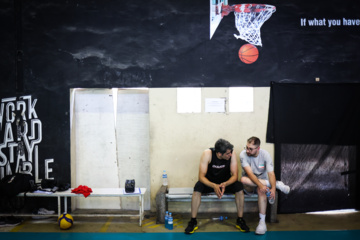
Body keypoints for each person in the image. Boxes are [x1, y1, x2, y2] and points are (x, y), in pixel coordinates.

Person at [185, 138, 249, 234]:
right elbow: (201, 177)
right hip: (210, 183)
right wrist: (214, 185)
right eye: (227, 154)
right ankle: (193, 221)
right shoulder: (207, 154)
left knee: (239, 187)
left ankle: (240, 219)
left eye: (230, 152)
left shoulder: (232, 154)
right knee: (197, 187)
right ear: (219, 154)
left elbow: (235, 176)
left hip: (226, 183)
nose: (230, 155)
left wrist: (225, 184)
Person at [240, 136, 290, 235]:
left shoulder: (265, 154)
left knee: (261, 190)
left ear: (258, 148)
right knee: (243, 180)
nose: (248, 150)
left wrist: (273, 188)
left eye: (251, 148)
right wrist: (267, 185)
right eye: (247, 147)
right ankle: (278, 184)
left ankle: (262, 223)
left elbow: (271, 173)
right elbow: (250, 174)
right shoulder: (243, 155)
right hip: (249, 184)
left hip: (261, 184)